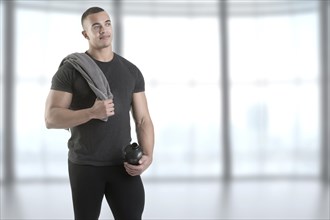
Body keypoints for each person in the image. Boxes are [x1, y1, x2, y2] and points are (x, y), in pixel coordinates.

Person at [44, 6, 154, 220]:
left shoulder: (131, 71)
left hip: (123, 164)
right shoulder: (71, 70)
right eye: (96, 26)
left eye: (107, 24)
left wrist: (148, 156)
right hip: (85, 165)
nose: (103, 30)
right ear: (85, 34)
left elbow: (142, 120)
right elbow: (51, 118)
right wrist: (91, 112)